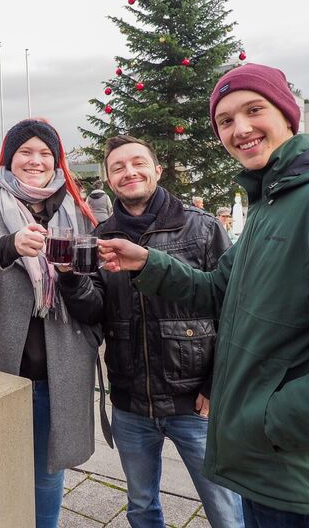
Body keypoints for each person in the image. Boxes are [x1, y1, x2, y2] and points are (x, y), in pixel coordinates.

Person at [98, 63, 309, 527]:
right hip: (265, 460)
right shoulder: (273, 202)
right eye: (225, 120)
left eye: (253, 110)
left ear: (287, 113)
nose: (239, 129)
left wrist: (278, 416)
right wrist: (148, 263)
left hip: (299, 468)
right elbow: (216, 290)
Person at [56, 136, 242, 527]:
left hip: (194, 402)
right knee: (141, 507)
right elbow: (96, 312)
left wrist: (215, 382)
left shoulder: (202, 227)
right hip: (131, 402)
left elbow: (233, 309)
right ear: (108, 180)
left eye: (138, 163)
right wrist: (71, 280)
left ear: (156, 170)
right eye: (118, 167)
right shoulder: (102, 235)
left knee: (226, 510)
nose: (129, 172)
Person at [0, 118, 100, 528]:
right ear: (10, 158)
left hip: (59, 370)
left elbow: (96, 294)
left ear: (57, 161)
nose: (36, 160)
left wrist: (71, 276)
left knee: (47, 475)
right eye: (26, 152)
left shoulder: (78, 210)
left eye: (45, 153)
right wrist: (7, 246)